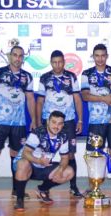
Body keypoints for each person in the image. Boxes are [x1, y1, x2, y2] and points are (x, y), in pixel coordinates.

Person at [0, 45, 36, 201]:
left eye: (20, 56)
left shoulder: (27, 76)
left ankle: (16, 189)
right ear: (10, 56)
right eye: (15, 55)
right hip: (0, 123)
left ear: (23, 58)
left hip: (19, 124)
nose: (17, 58)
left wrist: (33, 119)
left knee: (16, 156)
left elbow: (31, 99)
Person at [36, 50, 83, 198]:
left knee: (70, 155)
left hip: (68, 121)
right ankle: (45, 189)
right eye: (54, 62)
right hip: (48, 122)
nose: (57, 65)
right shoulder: (44, 78)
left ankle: (74, 187)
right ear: (51, 63)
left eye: (60, 62)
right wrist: (38, 122)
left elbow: (77, 99)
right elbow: (39, 101)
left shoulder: (71, 77)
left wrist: (80, 119)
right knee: (46, 154)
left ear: (64, 62)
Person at [13, 111, 74, 211]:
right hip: (28, 164)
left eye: (59, 123)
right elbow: (25, 153)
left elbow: (64, 158)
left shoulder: (63, 136)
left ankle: (42, 189)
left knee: (69, 171)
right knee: (23, 163)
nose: (56, 126)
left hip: (43, 165)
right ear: (48, 122)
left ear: (63, 125)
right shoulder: (38, 133)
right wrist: (38, 161)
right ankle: (20, 199)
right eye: (54, 122)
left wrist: (60, 170)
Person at [81, 43, 111, 159]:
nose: (100, 59)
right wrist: (104, 99)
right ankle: (96, 177)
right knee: (94, 153)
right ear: (93, 57)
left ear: (107, 56)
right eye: (97, 56)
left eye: (103, 55)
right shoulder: (86, 73)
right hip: (96, 121)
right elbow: (85, 96)